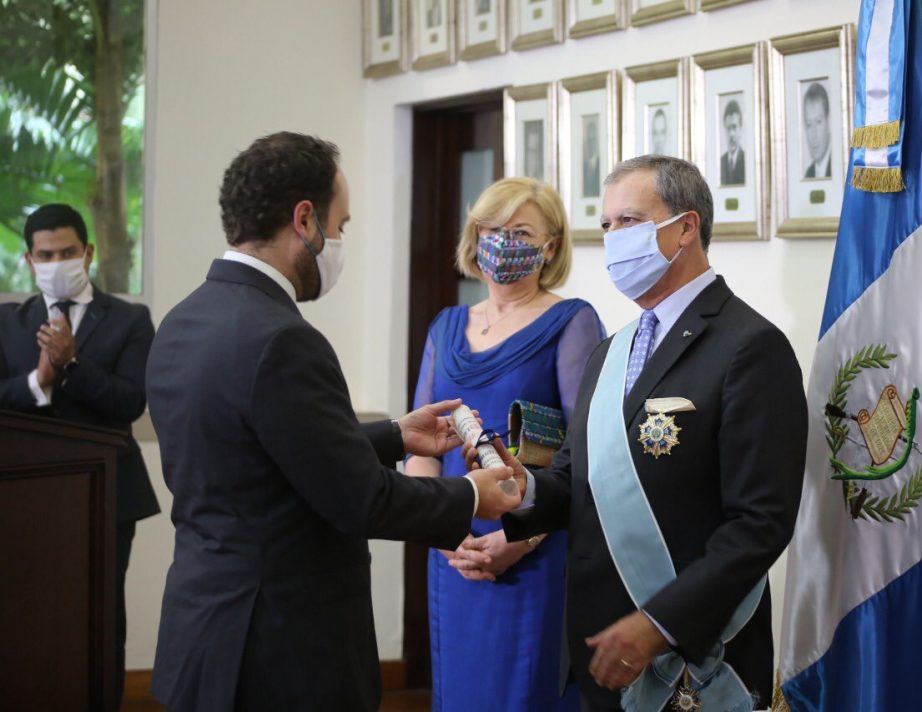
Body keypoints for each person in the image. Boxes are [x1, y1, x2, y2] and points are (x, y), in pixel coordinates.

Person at [145, 131, 520, 712]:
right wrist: (472, 493)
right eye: (340, 226)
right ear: (304, 220)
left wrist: (393, 435)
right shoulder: (283, 339)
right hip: (280, 650)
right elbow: (361, 500)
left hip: (202, 630)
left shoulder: (183, 319)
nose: (340, 242)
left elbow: (260, 454)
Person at [457, 156, 808, 711]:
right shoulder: (611, 352)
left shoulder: (750, 347)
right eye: (606, 224)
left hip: (691, 659)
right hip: (600, 652)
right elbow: (575, 477)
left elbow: (760, 524)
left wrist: (659, 624)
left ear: (685, 228)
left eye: (629, 221)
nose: (614, 238)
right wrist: (524, 487)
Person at [407, 177, 604, 711]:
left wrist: (520, 540)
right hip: (452, 550)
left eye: (520, 232)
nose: (502, 242)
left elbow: (587, 453)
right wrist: (440, 533)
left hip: (533, 551)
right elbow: (421, 447)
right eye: (491, 229)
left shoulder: (573, 321)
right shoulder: (446, 326)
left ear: (551, 246)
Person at [0, 203, 159, 709]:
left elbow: (131, 400)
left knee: (100, 617)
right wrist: (37, 381)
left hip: (108, 497)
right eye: (45, 255)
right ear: (29, 260)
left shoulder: (131, 319)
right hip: (24, 496)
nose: (56, 263)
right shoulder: (7, 322)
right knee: (26, 618)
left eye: (67, 252)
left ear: (87, 253)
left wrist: (70, 364)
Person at [802, 82, 832, 179]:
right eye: (809, 124)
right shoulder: (808, 174)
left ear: (828, 121)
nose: (813, 135)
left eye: (818, 122)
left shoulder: (840, 166)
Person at [719, 99, 745, 186]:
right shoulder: (720, 162)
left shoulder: (746, 161)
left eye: (734, 127)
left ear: (740, 128)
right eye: (728, 128)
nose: (731, 134)